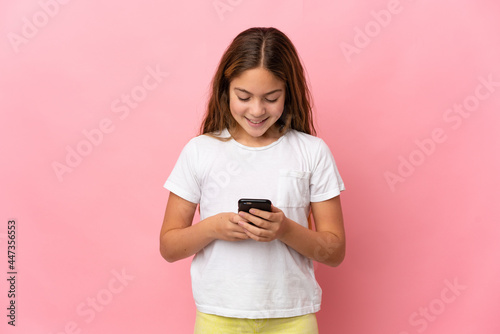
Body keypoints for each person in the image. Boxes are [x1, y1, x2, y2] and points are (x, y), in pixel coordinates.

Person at [160, 27, 346, 334]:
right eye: (243, 96)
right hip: (218, 317)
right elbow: (169, 246)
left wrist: (285, 229)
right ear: (226, 89)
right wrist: (214, 227)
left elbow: (334, 251)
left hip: (292, 318)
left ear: (289, 93)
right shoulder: (200, 151)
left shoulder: (312, 152)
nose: (257, 110)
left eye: (271, 98)